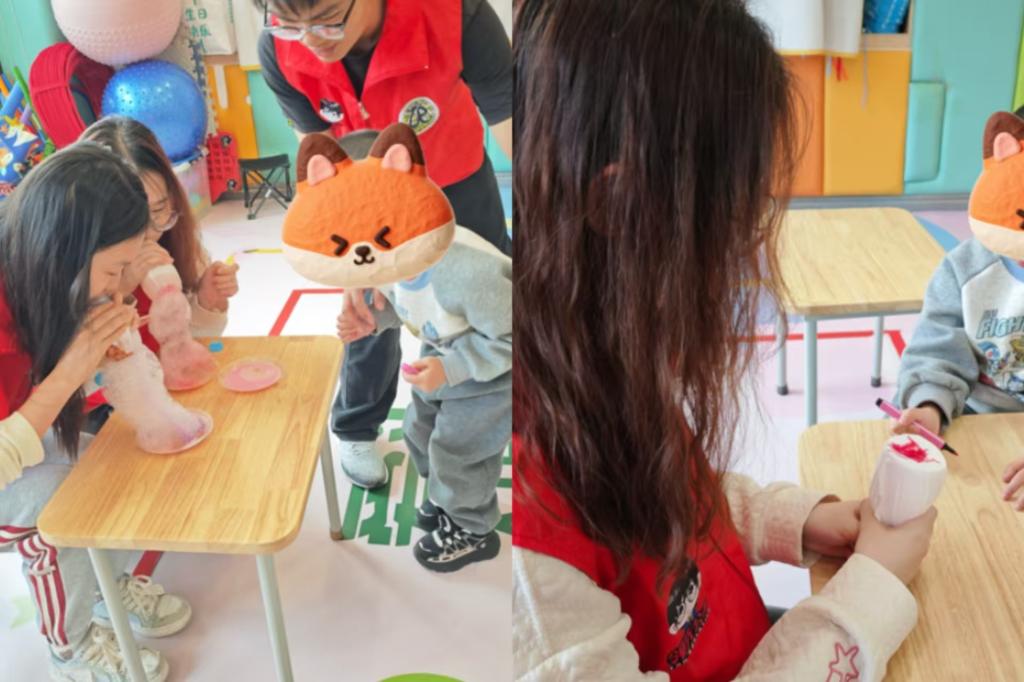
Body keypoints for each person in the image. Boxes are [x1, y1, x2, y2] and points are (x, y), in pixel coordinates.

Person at [511, 1, 938, 679]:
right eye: (734, 215)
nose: (742, 247)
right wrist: (872, 591)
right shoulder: (528, 540)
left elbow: (670, 500)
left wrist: (793, 520)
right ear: (624, 206)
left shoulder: (597, 347)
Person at [256, 0, 512, 489]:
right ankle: (357, 426)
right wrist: (346, 266)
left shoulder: (457, 14)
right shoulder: (277, 47)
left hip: (456, 184)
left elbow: (515, 122)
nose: (310, 38)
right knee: (367, 315)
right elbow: (319, 153)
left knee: (485, 307)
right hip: (365, 201)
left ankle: (490, 416)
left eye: (328, 18)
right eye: (290, 24)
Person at [0, 143, 190, 682]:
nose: (118, 284)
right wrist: (71, 369)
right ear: (63, 250)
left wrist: (91, 356)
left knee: (102, 466)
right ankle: (73, 646)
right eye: (113, 269)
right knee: (59, 502)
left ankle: (104, 585)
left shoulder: (33, 269)